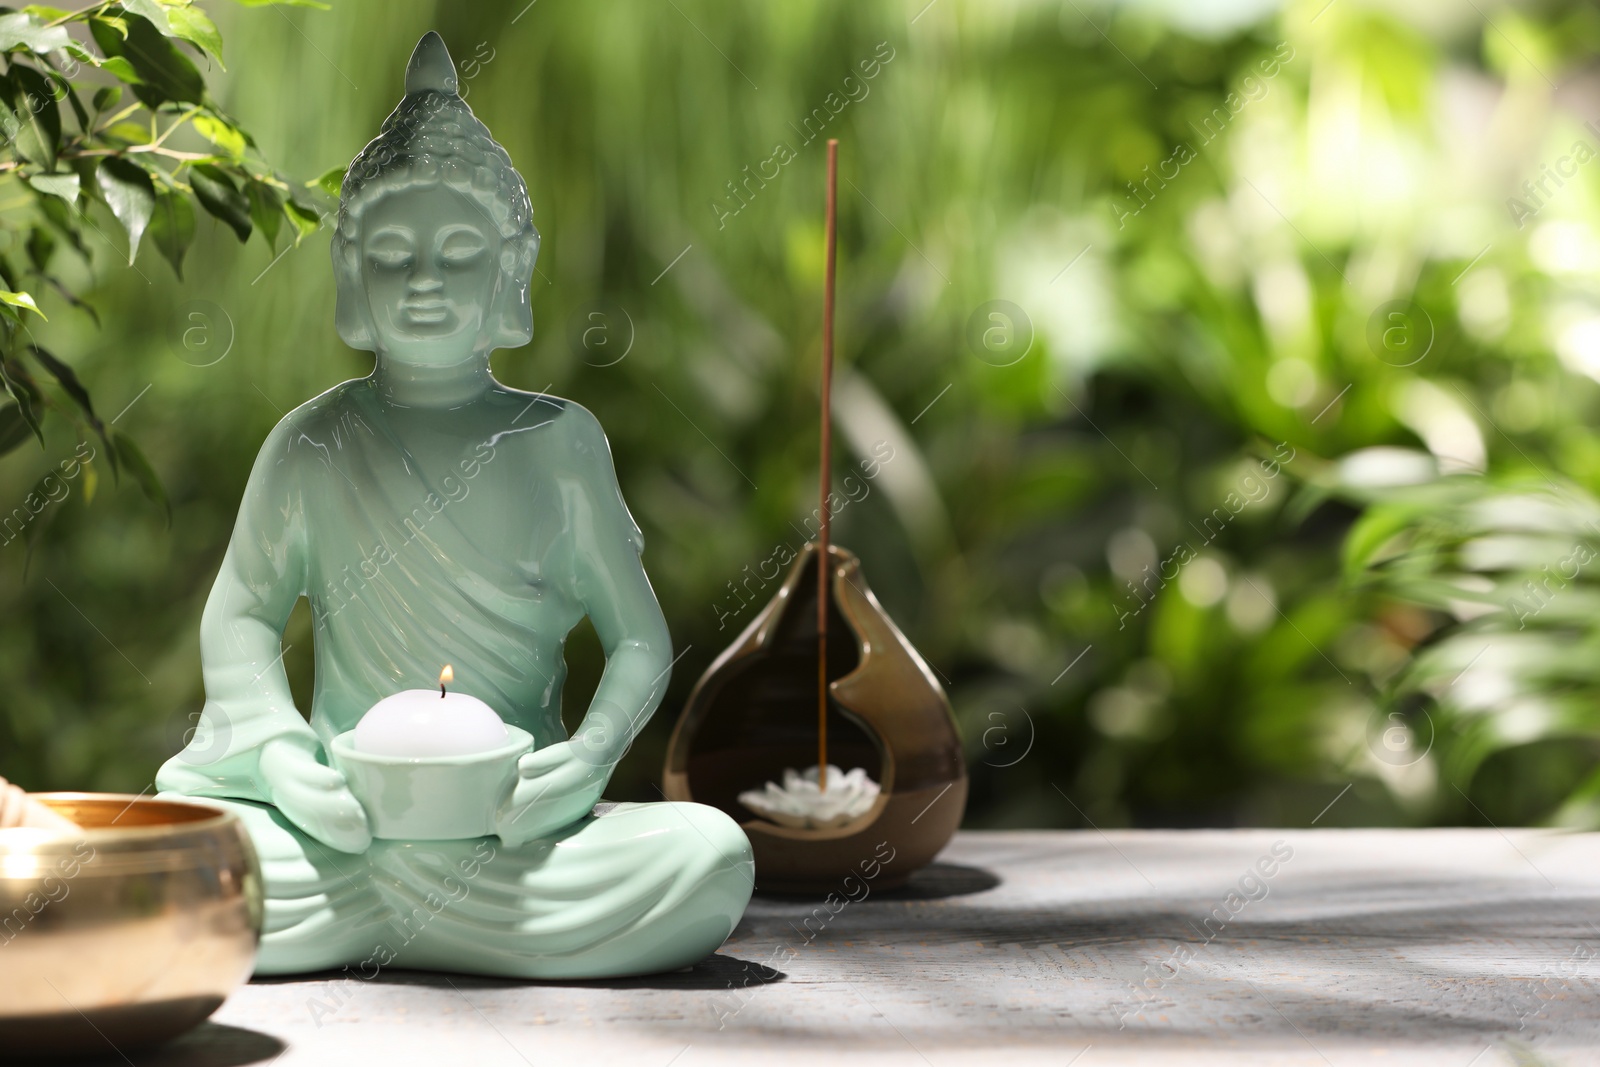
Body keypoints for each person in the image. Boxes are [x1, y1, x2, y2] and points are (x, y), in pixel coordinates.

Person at [157, 32, 752, 979]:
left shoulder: (559, 443)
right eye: (392, 254)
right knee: (173, 851)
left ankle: (386, 923)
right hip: (343, 830)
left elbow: (638, 637)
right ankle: (449, 924)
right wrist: (277, 762)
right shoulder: (312, 442)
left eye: (460, 251)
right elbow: (239, 616)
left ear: (510, 274)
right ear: (352, 277)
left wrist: (590, 760)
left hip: (509, 833)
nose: (425, 278)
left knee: (708, 854)